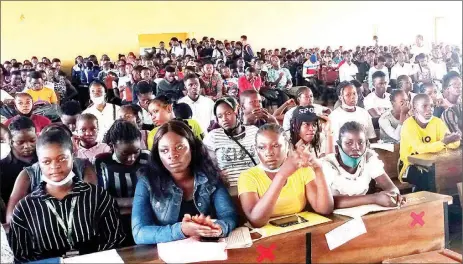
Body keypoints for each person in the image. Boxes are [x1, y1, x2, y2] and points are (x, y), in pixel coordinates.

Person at [8, 127, 125, 262]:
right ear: (38, 163)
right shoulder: (25, 209)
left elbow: (115, 240)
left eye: (62, 158)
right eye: (46, 161)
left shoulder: (98, 197)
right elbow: (22, 257)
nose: (54, 166)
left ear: (73, 156)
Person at [131, 120, 238, 244]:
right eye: (164, 150)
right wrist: (181, 230)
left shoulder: (210, 176)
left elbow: (228, 215)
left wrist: (218, 228)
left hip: (207, 249)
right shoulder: (146, 182)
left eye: (179, 147)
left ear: (192, 148)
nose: (172, 155)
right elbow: (139, 233)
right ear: (157, 155)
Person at [238, 124, 333, 228]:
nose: (269, 153)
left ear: (287, 147)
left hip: (298, 232)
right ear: (256, 150)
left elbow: (325, 209)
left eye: (275, 146)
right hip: (266, 239)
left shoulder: (302, 170)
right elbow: (256, 221)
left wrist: (318, 169)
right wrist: (282, 176)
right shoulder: (247, 177)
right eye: (262, 147)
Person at [322, 122, 405, 208]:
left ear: (367, 144)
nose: (356, 147)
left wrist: (394, 196)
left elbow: (392, 188)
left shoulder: (369, 158)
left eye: (361, 143)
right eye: (349, 143)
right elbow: (331, 202)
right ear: (339, 145)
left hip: (362, 213)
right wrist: (374, 198)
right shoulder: (328, 164)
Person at [399, 94, 461, 191]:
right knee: (429, 178)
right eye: (424, 106)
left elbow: (454, 143)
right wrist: (443, 142)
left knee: (453, 172)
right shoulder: (408, 125)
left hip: (435, 163)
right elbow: (420, 149)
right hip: (410, 166)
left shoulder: (437, 122)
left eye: (431, 106)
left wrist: (451, 140)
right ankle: (432, 203)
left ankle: (452, 202)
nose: (429, 109)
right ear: (414, 109)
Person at [203, 97, 259, 188]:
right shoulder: (212, 137)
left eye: (228, 113)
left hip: (255, 185)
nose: (224, 119)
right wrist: (216, 174)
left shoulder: (254, 132)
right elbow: (205, 164)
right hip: (228, 189)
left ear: (237, 112)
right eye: (220, 116)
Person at [1, 118, 38, 208]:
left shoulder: (44, 158)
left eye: (32, 140)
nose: (27, 146)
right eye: (20, 142)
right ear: (10, 142)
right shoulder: (3, 166)